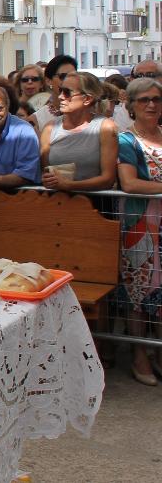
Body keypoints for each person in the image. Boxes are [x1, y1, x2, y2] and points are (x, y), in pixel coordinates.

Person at [114, 77, 162, 385]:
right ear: (131, 106)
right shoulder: (126, 140)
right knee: (137, 292)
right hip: (140, 226)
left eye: (156, 99)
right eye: (144, 99)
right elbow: (129, 183)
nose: (151, 104)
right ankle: (139, 354)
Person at [39, 72, 118, 193]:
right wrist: (47, 179)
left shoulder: (105, 127)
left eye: (67, 92)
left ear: (87, 99)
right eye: (60, 90)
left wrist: (69, 185)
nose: (60, 96)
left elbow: (108, 179)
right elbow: (44, 171)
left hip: (95, 206)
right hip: (57, 204)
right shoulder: (49, 128)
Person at [34, 55, 78, 128]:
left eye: (73, 75)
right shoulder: (37, 119)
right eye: (63, 76)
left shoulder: (88, 111)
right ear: (48, 81)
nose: (69, 80)